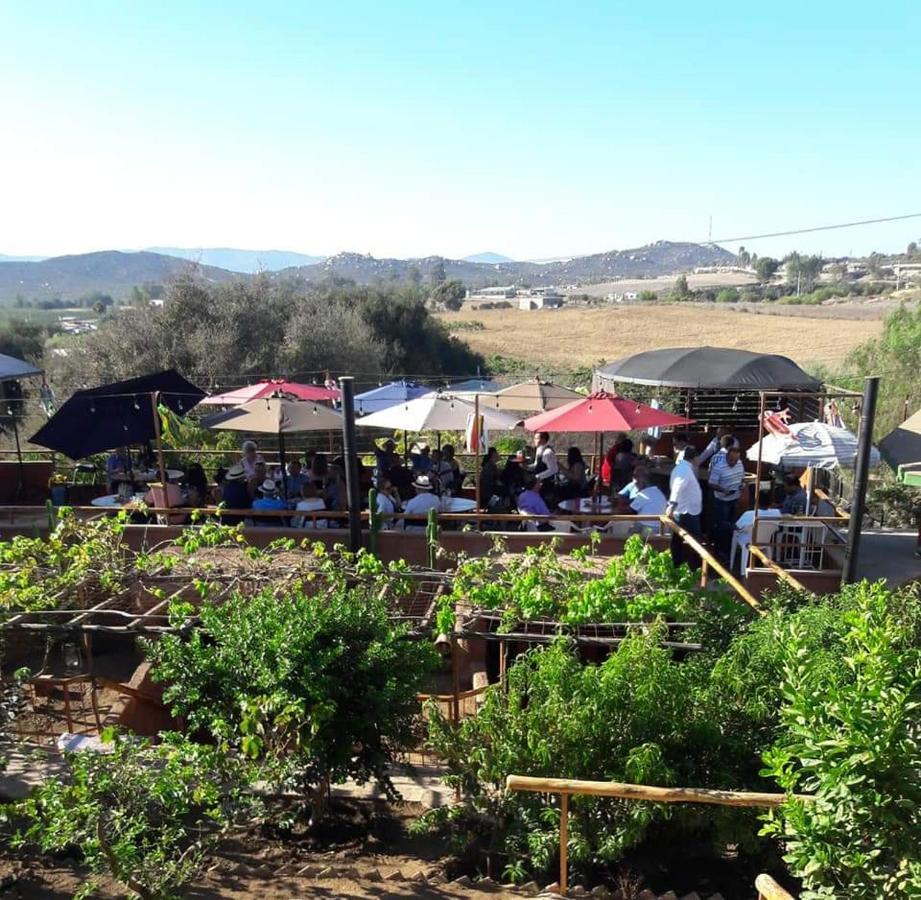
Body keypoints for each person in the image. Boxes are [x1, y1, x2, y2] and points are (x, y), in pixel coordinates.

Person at [665, 445, 703, 566]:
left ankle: (677, 564)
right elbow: (677, 487)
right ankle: (694, 567)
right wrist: (672, 505)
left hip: (685, 510)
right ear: (695, 457)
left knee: (678, 539)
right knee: (694, 540)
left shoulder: (683, 468)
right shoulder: (684, 470)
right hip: (686, 512)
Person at [708, 445, 746, 554]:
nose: (733, 462)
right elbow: (711, 483)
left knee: (732, 524)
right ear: (726, 457)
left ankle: (729, 547)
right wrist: (723, 490)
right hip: (722, 500)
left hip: (735, 498)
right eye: (731, 460)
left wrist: (742, 484)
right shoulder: (719, 467)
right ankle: (720, 549)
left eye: (735, 460)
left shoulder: (740, 464)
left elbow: (742, 478)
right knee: (722, 525)